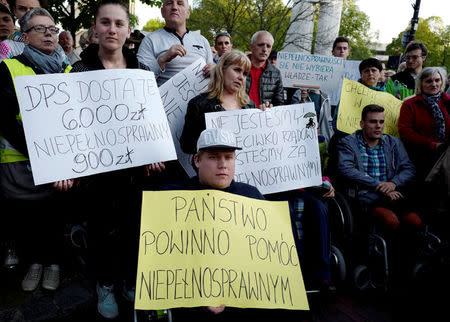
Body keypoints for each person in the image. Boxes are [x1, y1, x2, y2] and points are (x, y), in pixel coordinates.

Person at [71, 1, 156, 319]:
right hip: (97, 171)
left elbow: (152, 121)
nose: (111, 29)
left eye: (118, 23)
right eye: (105, 23)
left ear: (127, 30)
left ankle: (131, 281)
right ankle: (105, 284)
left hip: (136, 171)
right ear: (95, 29)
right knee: (101, 229)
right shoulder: (79, 71)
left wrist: (156, 154)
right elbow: (70, 123)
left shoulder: (142, 72)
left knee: (135, 228)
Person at [0, 7, 73, 292]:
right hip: (21, 163)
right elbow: (5, 120)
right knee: (28, 220)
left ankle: (53, 264)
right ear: (25, 36)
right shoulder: (9, 68)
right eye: (40, 29)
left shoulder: (71, 70)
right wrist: (41, 152)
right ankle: (34, 262)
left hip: (61, 166)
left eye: (52, 29)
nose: (48, 34)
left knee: (56, 215)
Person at [336, 104, 420, 232]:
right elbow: (346, 169)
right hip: (365, 197)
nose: (378, 126)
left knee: (414, 221)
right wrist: (379, 185)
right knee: (390, 220)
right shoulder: (348, 142)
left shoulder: (393, 142)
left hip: (391, 194)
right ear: (362, 124)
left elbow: (409, 168)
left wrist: (393, 183)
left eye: (381, 122)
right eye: (373, 122)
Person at [180, 49, 257, 155]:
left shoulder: (250, 106)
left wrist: (265, 114)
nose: (241, 77)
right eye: (237, 70)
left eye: (245, 74)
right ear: (222, 70)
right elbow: (186, 146)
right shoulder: (199, 104)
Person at [137, 0, 214, 86]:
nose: (174, 7)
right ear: (162, 12)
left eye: (180, 3)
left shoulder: (203, 41)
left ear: (188, 13)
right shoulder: (149, 41)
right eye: (169, 3)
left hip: (201, 98)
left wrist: (215, 71)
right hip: (162, 98)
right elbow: (140, 82)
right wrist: (162, 60)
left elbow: (212, 78)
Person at [398, 67, 450, 183]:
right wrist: (431, 145)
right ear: (420, 83)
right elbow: (405, 132)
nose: (434, 84)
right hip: (419, 158)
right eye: (428, 81)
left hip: (446, 157)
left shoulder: (448, 102)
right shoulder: (410, 104)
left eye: (437, 80)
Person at [246, 30, 284, 108]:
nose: (265, 49)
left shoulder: (276, 73)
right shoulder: (238, 68)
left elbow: (279, 104)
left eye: (268, 46)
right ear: (251, 47)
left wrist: (271, 109)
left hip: (264, 118)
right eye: (261, 45)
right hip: (239, 117)